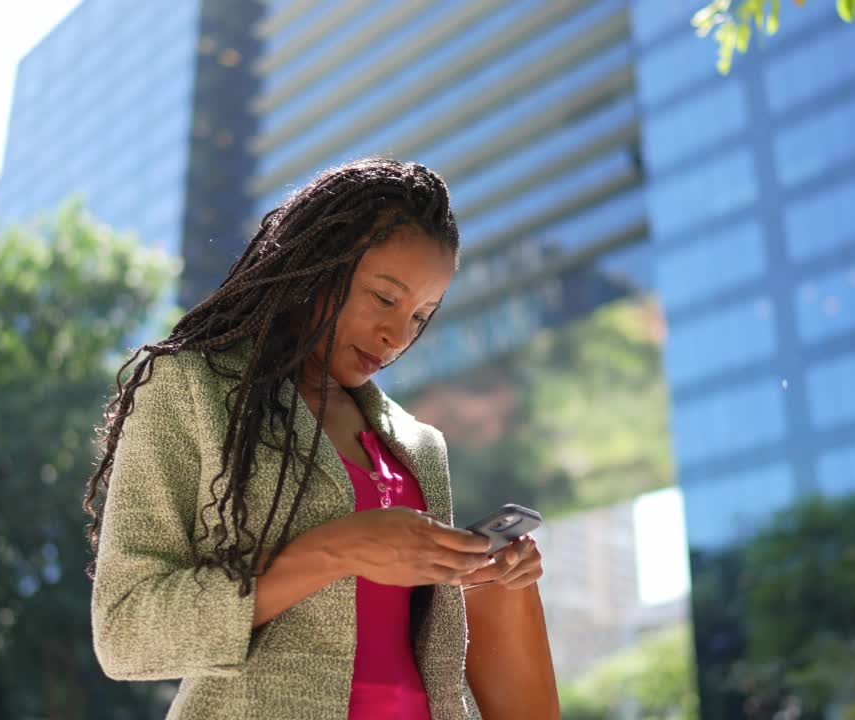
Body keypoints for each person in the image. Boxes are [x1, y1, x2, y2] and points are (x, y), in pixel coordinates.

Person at [84, 158, 550, 719]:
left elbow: (417, 635)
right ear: (315, 266)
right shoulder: (192, 390)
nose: (397, 336)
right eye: (384, 298)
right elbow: (125, 632)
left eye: (421, 317)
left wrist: (484, 575)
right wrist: (338, 549)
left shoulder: (420, 444)